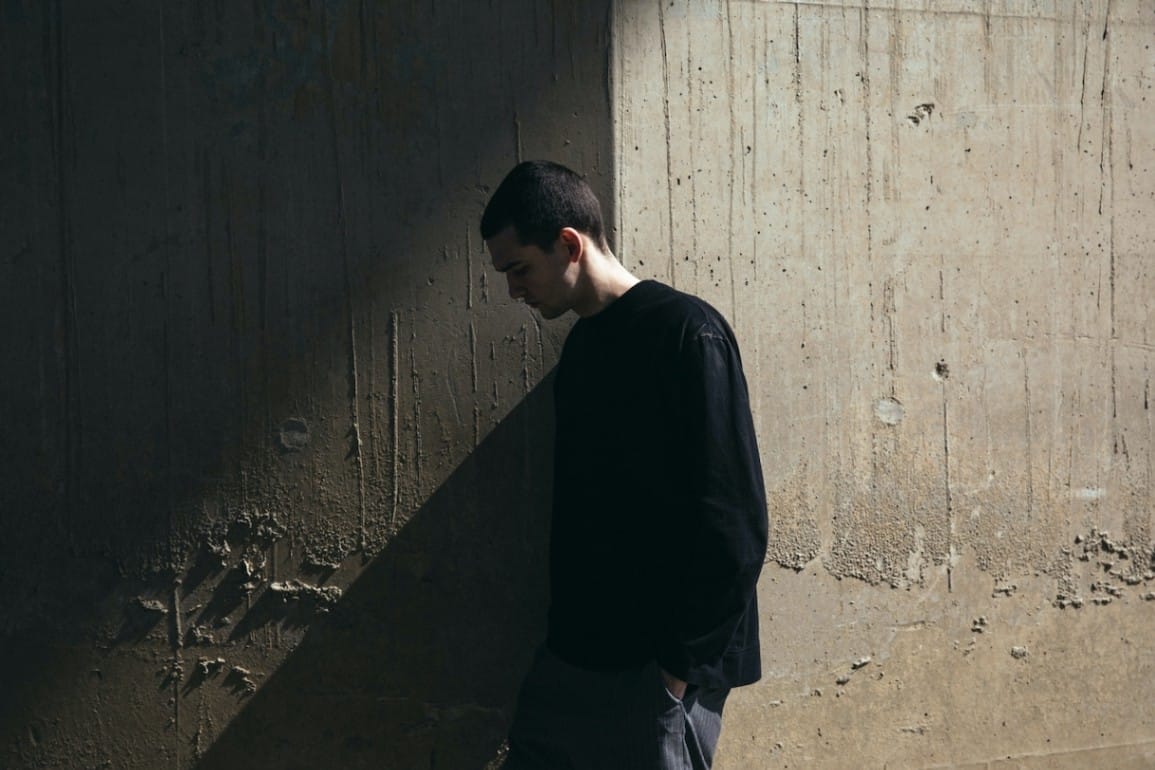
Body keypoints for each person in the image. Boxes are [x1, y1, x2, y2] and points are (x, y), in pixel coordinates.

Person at [481, 160, 768, 770]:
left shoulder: (688, 334)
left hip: (653, 672)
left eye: (519, 269)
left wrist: (674, 676)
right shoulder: (584, 346)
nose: (513, 291)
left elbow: (735, 521)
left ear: (568, 244)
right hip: (575, 659)